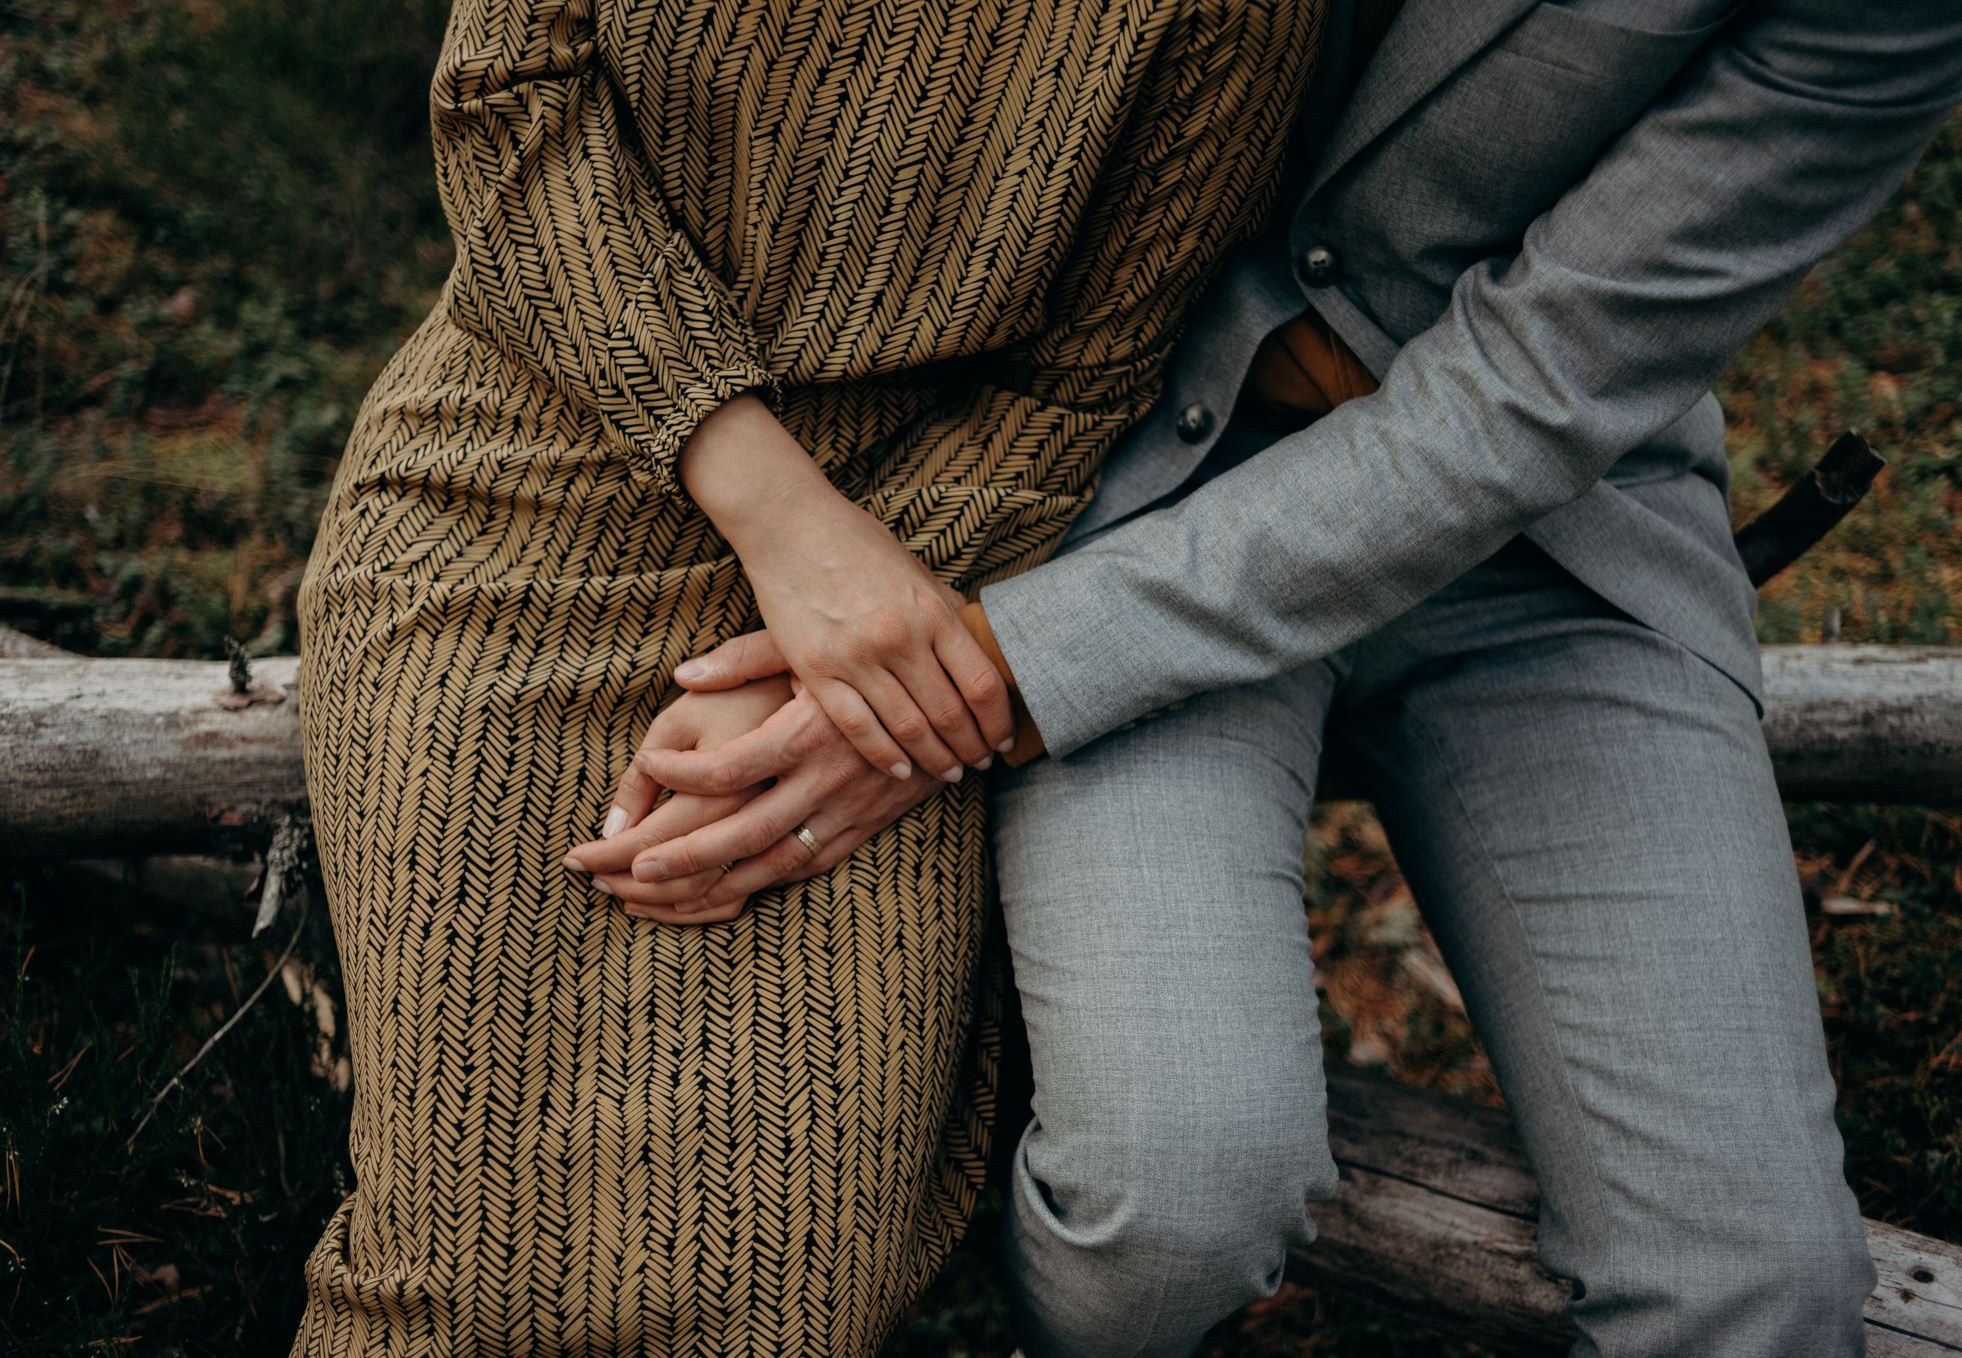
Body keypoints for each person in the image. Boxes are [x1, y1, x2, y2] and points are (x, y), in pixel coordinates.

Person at [575, 1, 1962, 1354]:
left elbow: (1538, 391)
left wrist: (992, 676)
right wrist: (856, 573)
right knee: (1167, 1202)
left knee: (1756, 1281)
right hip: (1115, 473)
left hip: (1545, 522)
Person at [290, 0, 1329, 1351]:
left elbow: (1091, 371)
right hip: (524, 491)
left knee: (788, 1274)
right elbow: (504, 97)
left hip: (924, 537)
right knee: (460, 1265)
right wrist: (783, 532)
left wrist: (848, 653)